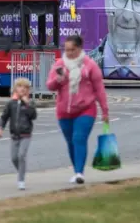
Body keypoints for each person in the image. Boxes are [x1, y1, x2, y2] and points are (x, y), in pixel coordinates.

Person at [47, 34, 109, 185]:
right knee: (70, 142)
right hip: (64, 111)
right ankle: (76, 171)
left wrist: (105, 110)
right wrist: (59, 79)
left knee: (78, 138)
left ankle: (79, 173)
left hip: (86, 109)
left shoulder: (90, 65)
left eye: (72, 50)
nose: (69, 53)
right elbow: (50, 85)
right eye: (66, 50)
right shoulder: (60, 65)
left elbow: (99, 89)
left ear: (80, 48)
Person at [0, 77, 37, 190]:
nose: (22, 89)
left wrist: (27, 104)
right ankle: (22, 171)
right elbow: (4, 117)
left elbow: (33, 116)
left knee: (21, 155)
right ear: (15, 89)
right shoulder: (11, 103)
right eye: (20, 86)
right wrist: (0, 127)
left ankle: (21, 180)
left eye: (25, 87)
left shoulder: (30, 102)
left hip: (26, 134)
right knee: (14, 158)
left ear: (28, 90)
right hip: (14, 135)